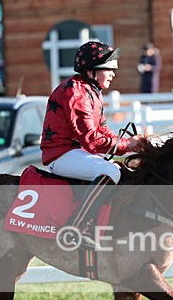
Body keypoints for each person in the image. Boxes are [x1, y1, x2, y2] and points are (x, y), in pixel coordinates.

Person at [41, 40, 147, 248]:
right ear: (91, 70)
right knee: (111, 172)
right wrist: (129, 145)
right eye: (110, 69)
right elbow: (92, 141)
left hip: (74, 152)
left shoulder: (91, 91)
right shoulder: (75, 92)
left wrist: (131, 146)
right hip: (61, 155)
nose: (113, 74)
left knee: (118, 168)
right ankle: (75, 229)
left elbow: (103, 132)